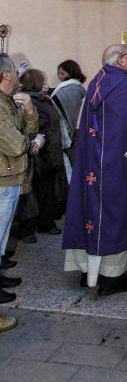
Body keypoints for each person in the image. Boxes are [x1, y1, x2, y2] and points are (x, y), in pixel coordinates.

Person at [62, 44, 127, 295]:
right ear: (120, 61)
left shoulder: (97, 81)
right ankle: (110, 277)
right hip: (114, 165)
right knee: (116, 213)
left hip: (91, 163)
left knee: (90, 213)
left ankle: (88, 273)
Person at [0, 53, 38, 329]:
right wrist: (33, 143)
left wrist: (29, 112)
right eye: (14, 69)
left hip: (11, 179)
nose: (18, 73)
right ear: (5, 75)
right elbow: (16, 145)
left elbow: (30, 127)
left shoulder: (9, 102)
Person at [20, 69, 64, 236]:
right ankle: (40, 225)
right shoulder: (33, 101)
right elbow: (40, 127)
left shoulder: (42, 99)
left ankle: (42, 222)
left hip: (48, 151)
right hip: (42, 153)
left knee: (44, 191)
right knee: (40, 192)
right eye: (43, 82)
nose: (46, 85)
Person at [52, 59, 87, 141]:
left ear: (71, 73)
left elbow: (55, 102)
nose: (60, 77)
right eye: (59, 74)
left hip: (67, 129)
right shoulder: (71, 87)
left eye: (62, 73)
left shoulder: (73, 89)